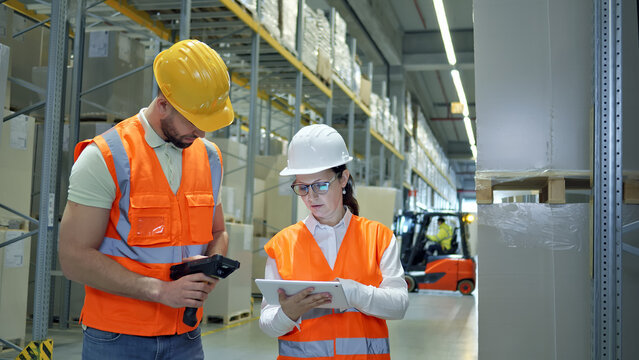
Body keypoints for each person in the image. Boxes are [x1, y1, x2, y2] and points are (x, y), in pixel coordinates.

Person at [58, 40, 234, 360]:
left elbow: (219, 232)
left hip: (186, 335)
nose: (202, 133)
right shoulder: (106, 156)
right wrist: (160, 291)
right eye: (194, 120)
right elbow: (73, 257)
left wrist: (211, 266)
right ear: (163, 103)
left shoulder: (210, 158)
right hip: (117, 338)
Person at [259, 124, 409, 359]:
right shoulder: (282, 245)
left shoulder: (379, 238)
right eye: (302, 187)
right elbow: (267, 323)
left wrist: (354, 293)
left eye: (320, 185)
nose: (311, 196)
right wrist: (286, 315)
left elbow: (399, 305)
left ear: (343, 179)